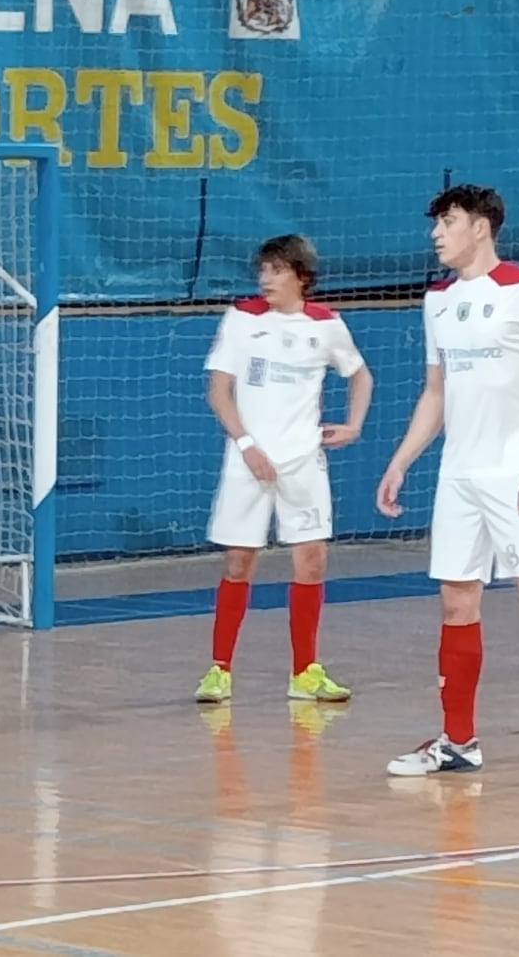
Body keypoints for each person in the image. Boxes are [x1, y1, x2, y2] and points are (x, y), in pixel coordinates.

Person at [376, 184, 519, 788]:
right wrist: (402, 460)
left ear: (480, 227)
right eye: (436, 223)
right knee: (457, 602)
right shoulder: (436, 303)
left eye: (447, 222)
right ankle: (458, 743)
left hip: (518, 472)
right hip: (458, 476)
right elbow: (437, 393)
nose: (436, 233)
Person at [195, 235, 373, 705]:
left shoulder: (326, 325)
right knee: (239, 562)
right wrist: (248, 445)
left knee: (312, 562)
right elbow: (218, 391)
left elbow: (360, 374)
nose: (265, 279)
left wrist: (353, 425)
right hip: (248, 461)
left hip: (304, 462)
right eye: (263, 270)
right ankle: (219, 670)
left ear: (301, 276)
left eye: (276, 270)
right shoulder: (242, 317)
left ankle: (305, 672)